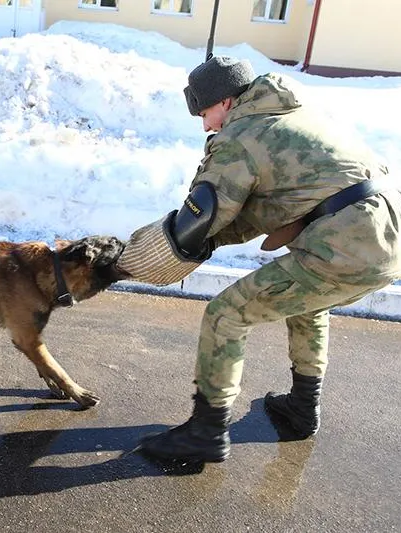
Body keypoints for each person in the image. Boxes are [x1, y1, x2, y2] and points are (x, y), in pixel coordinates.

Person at [115, 56, 401, 463]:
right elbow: (261, 209)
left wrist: (162, 249)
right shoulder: (296, 114)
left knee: (225, 314)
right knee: (310, 305)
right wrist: (216, 239)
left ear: (226, 102)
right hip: (387, 238)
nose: (205, 125)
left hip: (346, 245)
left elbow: (206, 212)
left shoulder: (242, 135)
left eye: (205, 112)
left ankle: (206, 433)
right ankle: (303, 408)